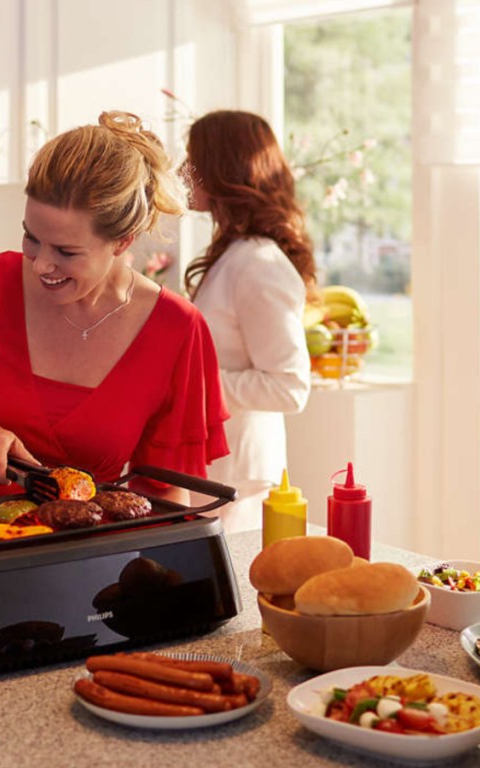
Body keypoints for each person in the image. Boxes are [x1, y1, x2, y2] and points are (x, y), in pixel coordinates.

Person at [0, 111, 229, 503]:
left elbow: (165, 490)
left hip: (90, 556)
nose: (41, 265)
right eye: (31, 238)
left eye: (66, 251)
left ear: (122, 241)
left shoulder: (177, 329)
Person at [182, 110, 314, 531]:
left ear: (221, 169)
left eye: (191, 159)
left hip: (240, 475)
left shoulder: (259, 264)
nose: (180, 171)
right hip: (218, 468)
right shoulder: (235, 255)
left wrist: (189, 383)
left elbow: (290, 388)